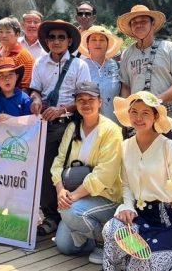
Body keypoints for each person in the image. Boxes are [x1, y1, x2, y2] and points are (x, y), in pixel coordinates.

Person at [103, 91, 172, 271]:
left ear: (155, 116)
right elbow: (127, 184)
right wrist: (128, 206)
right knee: (111, 229)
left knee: (141, 266)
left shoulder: (168, 146)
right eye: (134, 112)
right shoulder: (126, 146)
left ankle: (167, 261)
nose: (138, 118)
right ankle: (121, 265)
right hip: (138, 218)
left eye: (145, 113)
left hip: (167, 222)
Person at [29, 19, 92, 236]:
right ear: (46, 41)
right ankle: (51, 216)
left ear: (69, 41)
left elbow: (85, 99)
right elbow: (35, 89)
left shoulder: (79, 65)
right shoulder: (40, 63)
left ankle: (69, 215)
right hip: (45, 122)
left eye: (61, 37)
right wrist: (36, 100)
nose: (56, 41)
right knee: (46, 169)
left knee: (67, 170)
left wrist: (62, 110)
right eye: (52, 37)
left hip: (69, 123)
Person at [51, 81, 123, 263]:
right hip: (80, 196)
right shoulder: (72, 128)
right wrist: (61, 190)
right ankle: (99, 232)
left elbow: (104, 174)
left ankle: (105, 242)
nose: (86, 104)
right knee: (65, 246)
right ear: (75, 104)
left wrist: (72, 197)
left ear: (100, 102)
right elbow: (58, 162)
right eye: (80, 99)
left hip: (107, 197)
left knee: (69, 212)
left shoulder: (111, 131)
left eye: (91, 99)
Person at [118, 5, 172, 149]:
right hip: (138, 120)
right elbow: (125, 85)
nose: (138, 25)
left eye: (143, 21)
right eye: (134, 23)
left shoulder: (169, 49)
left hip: (168, 117)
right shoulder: (127, 54)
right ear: (131, 28)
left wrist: (159, 100)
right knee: (138, 164)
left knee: (171, 165)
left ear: (153, 24)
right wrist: (127, 108)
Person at [78, 26, 123, 123]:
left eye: (102, 40)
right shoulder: (80, 66)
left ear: (108, 44)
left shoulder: (117, 66)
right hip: (88, 124)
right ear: (88, 44)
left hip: (114, 124)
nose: (98, 43)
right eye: (93, 40)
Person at [0, 17, 35, 90]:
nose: (3, 35)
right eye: (0, 32)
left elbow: (25, 86)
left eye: (8, 32)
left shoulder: (24, 56)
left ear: (17, 34)